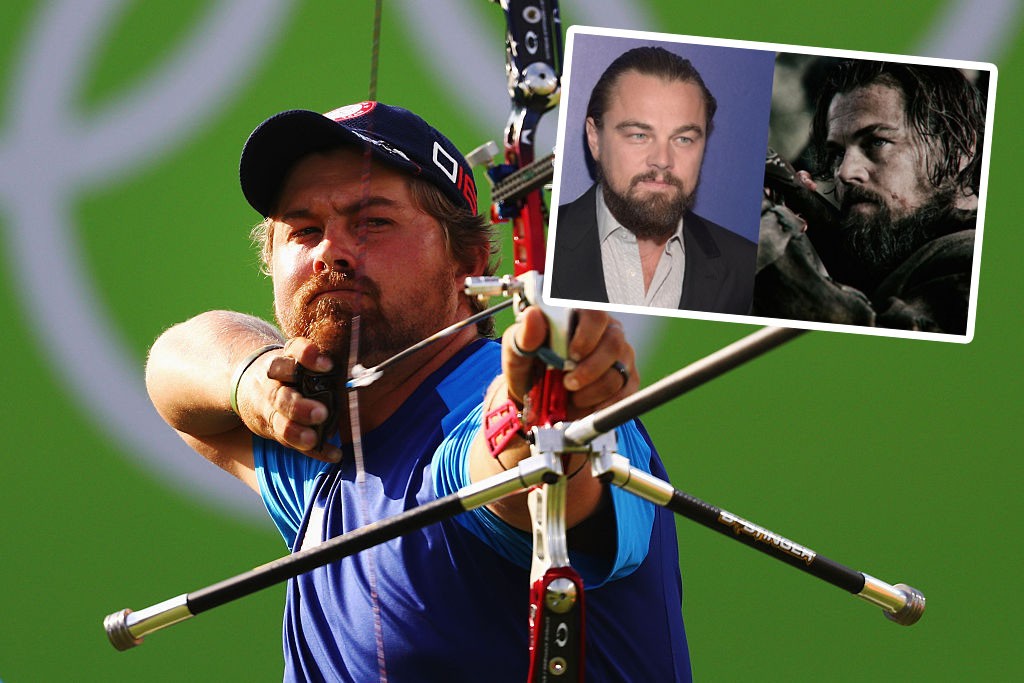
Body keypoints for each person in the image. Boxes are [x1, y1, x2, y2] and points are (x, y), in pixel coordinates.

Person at [145, 100, 692, 681]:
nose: (329, 251)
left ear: (469, 262)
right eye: (304, 230)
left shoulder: (474, 409)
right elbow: (177, 366)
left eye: (372, 222)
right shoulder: (319, 438)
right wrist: (253, 380)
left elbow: (513, 478)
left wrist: (539, 407)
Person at [754, 60, 985, 334]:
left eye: (876, 142)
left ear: (956, 150)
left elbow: (880, 341)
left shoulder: (973, 262)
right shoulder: (897, 245)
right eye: (838, 152)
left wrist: (764, 224)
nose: (845, 171)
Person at [549, 46, 758, 314]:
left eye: (683, 139)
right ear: (595, 138)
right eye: (639, 135)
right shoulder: (540, 248)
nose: (662, 159)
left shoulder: (746, 269)